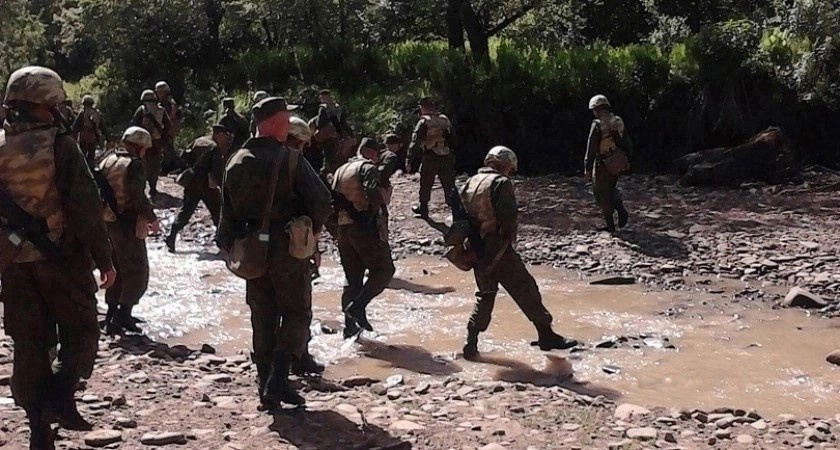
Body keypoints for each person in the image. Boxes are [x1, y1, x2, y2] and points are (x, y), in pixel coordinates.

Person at [0, 66, 116, 449]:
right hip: (61, 259)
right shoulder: (60, 145)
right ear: (47, 104)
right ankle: (59, 397)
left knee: (30, 344)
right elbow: (84, 209)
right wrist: (105, 259)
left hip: (13, 264)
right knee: (82, 331)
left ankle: (38, 427)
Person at [218, 97, 332, 408]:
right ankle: (279, 380)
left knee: (262, 316)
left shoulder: (235, 160)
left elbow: (226, 211)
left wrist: (228, 245)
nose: (287, 125)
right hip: (288, 250)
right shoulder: (291, 159)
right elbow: (322, 200)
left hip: (253, 251)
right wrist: (313, 231)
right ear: (274, 123)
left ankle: (264, 384)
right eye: (284, 120)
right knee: (296, 313)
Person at [457, 146, 578, 360]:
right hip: (498, 246)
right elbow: (508, 216)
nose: (509, 172)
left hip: (475, 248)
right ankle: (546, 335)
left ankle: (471, 343)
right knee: (526, 288)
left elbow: (460, 215)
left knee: (485, 295)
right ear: (505, 164)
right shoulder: (501, 183)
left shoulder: (470, 182)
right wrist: (509, 239)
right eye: (509, 168)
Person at [97, 127, 160, 334]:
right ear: (140, 146)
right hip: (128, 224)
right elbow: (137, 196)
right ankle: (123, 315)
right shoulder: (134, 165)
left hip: (108, 223)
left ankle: (111, 314)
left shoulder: (108, 160)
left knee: (116, 269)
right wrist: (152, 218)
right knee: (137, 271)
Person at [331, 138, 396, 338]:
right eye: (377, 155)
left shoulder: (341, 170)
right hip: (365, 228)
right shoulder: (368, 168)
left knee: (352, 278)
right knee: (384, 270)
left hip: (344, 229)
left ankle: (350, 328)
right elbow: (371, 192)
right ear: (372, 153)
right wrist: (374, 210)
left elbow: (331, 199)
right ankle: (358, 307)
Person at [283, 115, 326, 376]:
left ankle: (267, 363)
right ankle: (298, 358)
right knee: (299, 306)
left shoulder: (255, 160)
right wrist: (316, 241)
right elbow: (320, 201)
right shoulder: (296, 164)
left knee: (266, 306)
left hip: (257, 244)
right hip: (293, 245)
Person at [165, 124, 233, 252]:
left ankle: (171, 236)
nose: (226, 139)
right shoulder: (214, 148)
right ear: (219, 134)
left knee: (185, 211)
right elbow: (217, 171)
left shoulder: (198, 141)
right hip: (207, 185)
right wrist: (224, 186)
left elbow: (183, 157)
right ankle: (222, 242)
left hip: (192, 183)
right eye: (225, 135)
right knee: (218, 212)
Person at [584, 95, 632, 232]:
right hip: (617, 161)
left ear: (596, 109)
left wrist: (587, 167)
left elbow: (591, 147)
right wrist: (628, 159)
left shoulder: (597, 124)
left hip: (603, 163)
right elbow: (627, 142)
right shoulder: (617, 120)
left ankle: (611, 224)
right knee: (611, 187)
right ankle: (621, 210)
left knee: (600, 192)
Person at [407, 97, 456, 218]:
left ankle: (423, 210)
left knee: (426, 183)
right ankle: (456, 211)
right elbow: (453, 138)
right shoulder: (444, 119)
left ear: (423, 107)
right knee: (449, 184)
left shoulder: (424, 121)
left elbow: (415, 142)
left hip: (431, 156)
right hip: (446, 154)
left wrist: (409, 159)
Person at [132, 89, 172, 197]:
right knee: (154, 164)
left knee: (146, 164)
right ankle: (152, 186)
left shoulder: (141, 110)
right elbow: (168, 126)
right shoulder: (161, 110)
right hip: (156, 141)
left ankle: (150, 186)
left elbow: (134, 125)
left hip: (146, 142)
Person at [314, 89, 354, 178]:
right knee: (340, 159)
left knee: (329, 160)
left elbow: (319, 123)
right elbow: (344, 123)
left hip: (330, 137)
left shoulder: (323, 108)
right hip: (339, 137)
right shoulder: (337, 107)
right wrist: (350, 135)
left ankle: (324, 178)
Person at [155, 81, 182, 173]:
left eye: (160, 92)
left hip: (169, 128)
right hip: (169, 128)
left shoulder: (169, 103)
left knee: (167, 148)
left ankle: (174, 166)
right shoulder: (165, 102)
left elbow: (171, 116)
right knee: (168, 148)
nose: (158, 94)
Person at [73, 94, 104, 165]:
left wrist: (73, 138)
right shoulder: (97, 114)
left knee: (82, 157)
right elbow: (103, 127)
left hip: (83, 138)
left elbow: (76, 127)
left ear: (84, 104)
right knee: (91, 158)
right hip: (93, 139)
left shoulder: (82, 114)